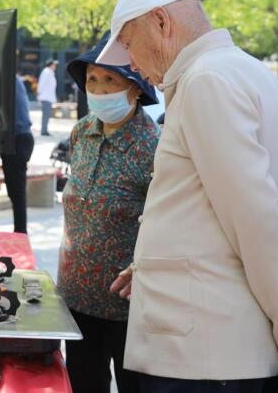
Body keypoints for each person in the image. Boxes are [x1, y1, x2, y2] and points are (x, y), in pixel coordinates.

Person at [103, 0, 278, 392]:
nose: (129, 62)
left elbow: (255, 219)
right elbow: (213, 209)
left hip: (203, 353)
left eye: (128, 43)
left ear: (162, 23)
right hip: (209, 345)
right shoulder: (238, 70)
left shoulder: (207, 81)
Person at [58, 33, 159, 393]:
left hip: (129, 309)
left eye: (110, 80)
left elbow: (164, 223)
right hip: (77, 299)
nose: (98, 91)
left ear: (135, 87)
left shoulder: (155, 147)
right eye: (92, 80)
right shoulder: (82, 132)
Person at [0, 74, 34, 234]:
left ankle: (20, 235)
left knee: (17, 194)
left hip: (18, 139)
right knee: (15, 193)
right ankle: (20, 233)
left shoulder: (7, 79)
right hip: (17, 138)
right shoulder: (12, 78)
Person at [37, 58, 58, 136]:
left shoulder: (50, 72)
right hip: (45, 97)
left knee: (47, 114)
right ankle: (44, 131)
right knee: (46, 115)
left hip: (48, 97)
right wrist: (39, 94)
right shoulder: (46, 72)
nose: (55, 66)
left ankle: (44, 130)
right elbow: (41, 83)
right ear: (51, 65)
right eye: (54, 64)